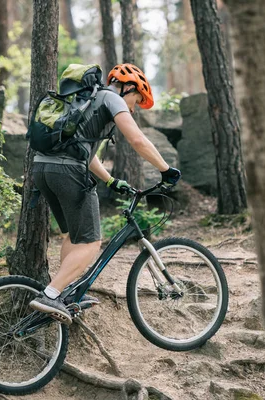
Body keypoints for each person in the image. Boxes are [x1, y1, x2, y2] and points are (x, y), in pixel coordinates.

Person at [28, 63, 181, 324]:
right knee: (90, 243)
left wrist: (111, 181)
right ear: (127, 88)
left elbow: (83, 153)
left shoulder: (83, 101)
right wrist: (166, 170)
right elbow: (138, 141)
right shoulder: (111, 98)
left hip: (42, 168)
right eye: (136, 99)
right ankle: (50, 295)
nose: (133, 108)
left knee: (73, 237)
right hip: (68, 173)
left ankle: (64, 294)